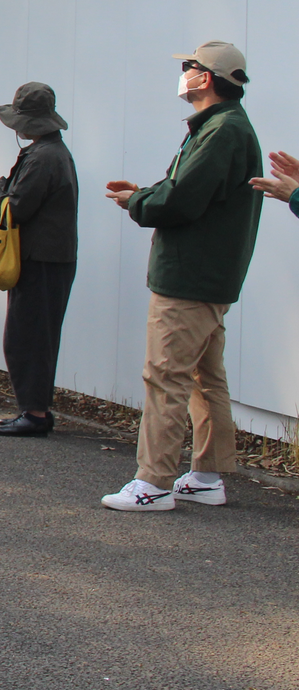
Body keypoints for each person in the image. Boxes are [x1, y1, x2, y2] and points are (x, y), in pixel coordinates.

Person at [102, 41, 263, 512]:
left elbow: (181, 200)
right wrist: (144, 193)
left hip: (188, 277)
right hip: (211, 275)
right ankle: (207, 475)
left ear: (206, 77)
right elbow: (186, 190)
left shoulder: (220, 131)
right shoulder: (225, 128)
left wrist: (138, 202)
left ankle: (153, 482)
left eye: (190, 68)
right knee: (204, 376)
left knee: (166, 375)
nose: (184, 75)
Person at [0, 82, 79, 436]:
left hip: (41, 258)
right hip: (47, 256)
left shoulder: (44, 157)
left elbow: (17, 206)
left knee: (28, 336)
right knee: (32, 335)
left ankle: (35, 413)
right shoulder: (49, 152)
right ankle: (34, 409)